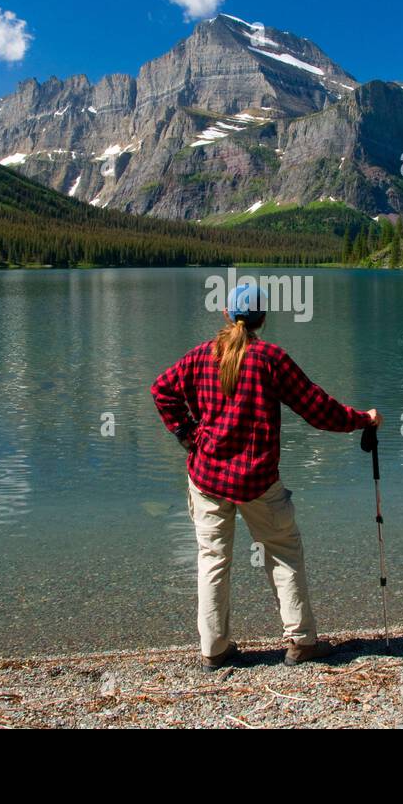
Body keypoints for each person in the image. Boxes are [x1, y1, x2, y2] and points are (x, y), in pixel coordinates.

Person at [151, 283, 381, 669]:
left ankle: (214, 649)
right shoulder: (271, 359)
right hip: (257, 479)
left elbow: (162, 390)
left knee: (212, 559)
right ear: (262, 318)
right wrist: (362, 419)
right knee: (283, 552)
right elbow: (317, 409)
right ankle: (301, 641)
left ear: (226, 314)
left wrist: (190, 437)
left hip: (207, 476)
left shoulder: (200, 356)